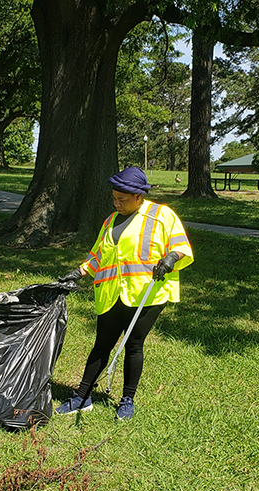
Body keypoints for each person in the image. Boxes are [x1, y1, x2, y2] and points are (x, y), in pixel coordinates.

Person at [55, 166, 193, 420]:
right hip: (113, 292)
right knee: (102, 345)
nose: (116, 203)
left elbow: (181, 245)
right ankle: (82, 396)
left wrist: (172, 257)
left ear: (139, 197)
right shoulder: (110, 221)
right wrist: (79, 272)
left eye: (123, 199)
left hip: (147, 294)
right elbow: (99, 254)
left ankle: (127, 400)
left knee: (133, 345)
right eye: (114, 198)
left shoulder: (162, 215)